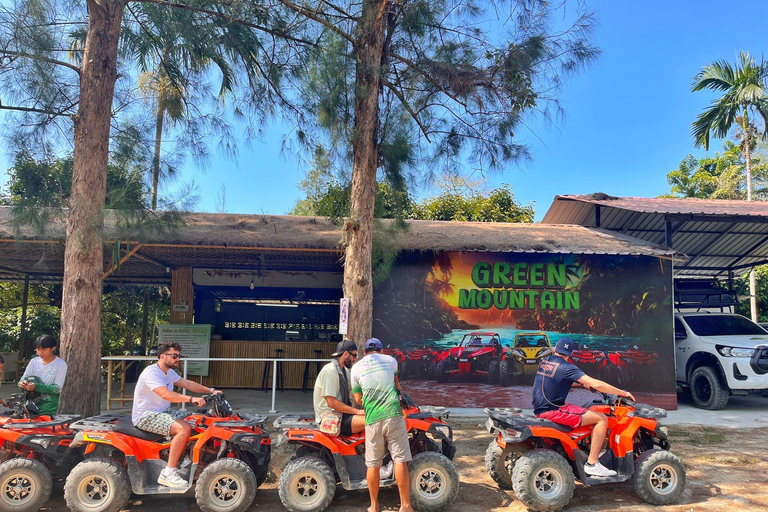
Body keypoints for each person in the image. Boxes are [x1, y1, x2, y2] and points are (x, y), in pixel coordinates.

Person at [532, 337, 636, 478]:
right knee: (601, 419)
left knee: (588, 411)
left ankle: (585, 450)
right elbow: (597, 384)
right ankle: (592, 464)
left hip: (541, 408)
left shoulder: (545, 362)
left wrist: (582, 384)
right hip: (553, 410)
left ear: (555, 349)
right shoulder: (567, 367)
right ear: (570, 354)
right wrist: (622, 393)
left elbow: (556, 380)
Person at [132, 342, 221, 488]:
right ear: (162, 356)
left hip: (164, 411)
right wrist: (192, 399)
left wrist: (212, 391)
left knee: (200, 421)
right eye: (174, 356)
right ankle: (169, 472)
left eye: (179, 356)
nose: (178, 359)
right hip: (146, 416)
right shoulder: (152, 373)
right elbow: (166, 394)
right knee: (183, 428)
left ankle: (189, 460)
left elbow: (188, 384)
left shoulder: (169, 372)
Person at [351, 338, 413, 512]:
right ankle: (406, 506)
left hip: (373, 419)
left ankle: (374, 505)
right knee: (400, 459)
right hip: (394, 415)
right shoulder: (391, 361)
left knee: (373, 464)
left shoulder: (356, 368)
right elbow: (396, 385)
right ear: (381, 351)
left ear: (364, 352)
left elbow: (358, 399)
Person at [313, 339, 365, 435]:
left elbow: (358, 386)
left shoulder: (344, 371)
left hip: (340, 414)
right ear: (345, 354)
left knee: (373, 416)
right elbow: (331, 402)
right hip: (330, 417)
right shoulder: (330, 370)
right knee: (373, 420)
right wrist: (357, 411)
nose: (355, 358)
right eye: (354, 355)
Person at [18, 335, 67, 416]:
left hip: (48, 408)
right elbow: (22, 380)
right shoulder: (34, 362)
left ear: (53, 348)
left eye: (44, 350)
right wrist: (22, 383)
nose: (40, 353)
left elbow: (57, 389)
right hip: (29, 406)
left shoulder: (60, 364)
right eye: (37, 350)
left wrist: (36, 386)